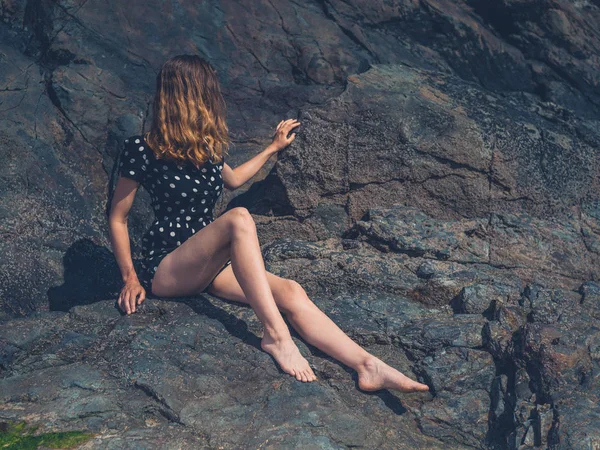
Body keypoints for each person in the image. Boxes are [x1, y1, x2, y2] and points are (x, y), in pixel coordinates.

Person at [107, 54, 429, 393]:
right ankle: (276, 335)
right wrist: (129, 277)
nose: (214, 98)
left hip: (210, 268)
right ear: (189, 95)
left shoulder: (204, 149)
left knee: (291, 291)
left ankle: (368, 366)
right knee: (239, 219)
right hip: (167, 268)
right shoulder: (142, 148)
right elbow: (118, 216)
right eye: (208, 91)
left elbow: (232, 180)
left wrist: (272, 148)